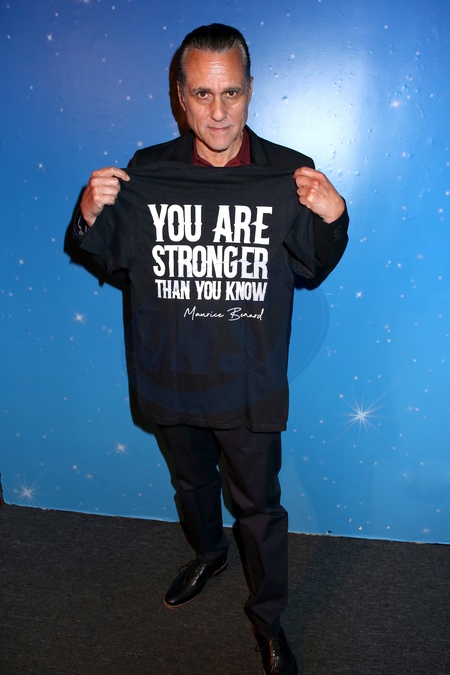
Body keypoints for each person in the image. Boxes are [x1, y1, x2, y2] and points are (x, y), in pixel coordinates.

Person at [74, 23, 349, 675]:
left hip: (248, 381)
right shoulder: (149, 171)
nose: (219, 111)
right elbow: (112, 262)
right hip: (170, 373)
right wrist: (89, 213)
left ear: (251, 91)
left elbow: (310, 267)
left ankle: (268, 620)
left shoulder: (287, 172)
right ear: (180, 96)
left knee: (259, 508)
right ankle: (208, 553)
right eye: (202, 93)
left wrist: (334, 217)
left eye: (231, 93)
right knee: (191, 482)